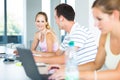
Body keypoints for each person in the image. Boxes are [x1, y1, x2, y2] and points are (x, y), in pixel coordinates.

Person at [48, 0, 120, 80]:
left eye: (99, 19)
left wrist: (77, 74)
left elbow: (118, 74)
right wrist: (66, 69)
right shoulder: (105, 36)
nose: (95, 24)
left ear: (115, 15)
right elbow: (95, 64)